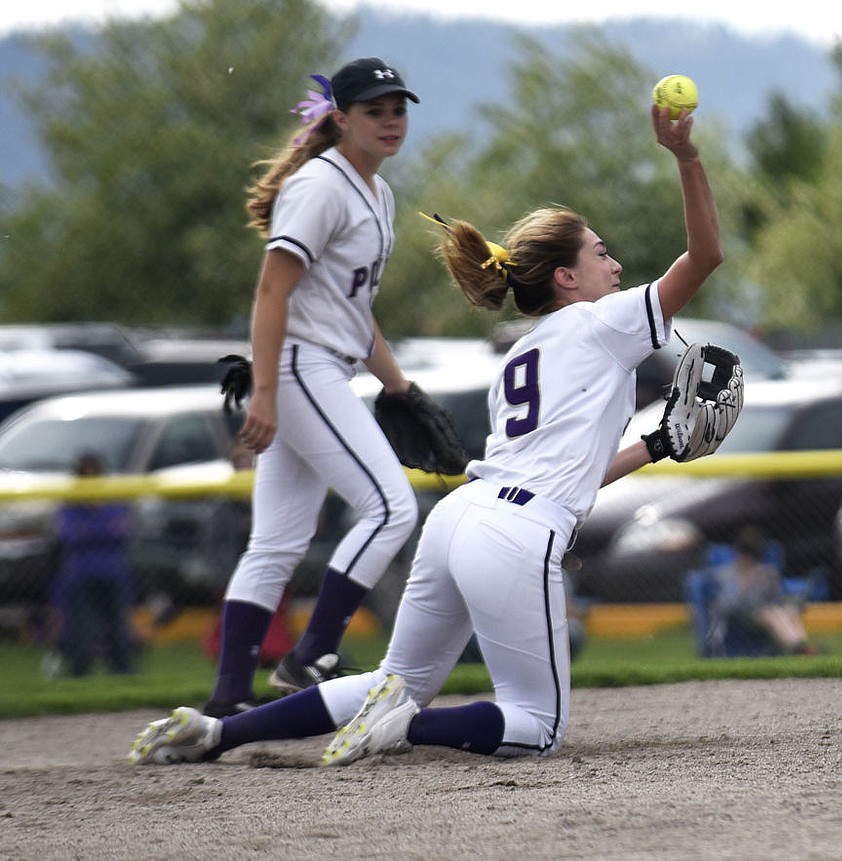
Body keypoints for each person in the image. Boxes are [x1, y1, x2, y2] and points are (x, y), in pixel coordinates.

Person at [129, 89, 722, 765]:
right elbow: (703, 258)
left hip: (462, 518)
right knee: (536, 723)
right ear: (565, 277)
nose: (615, 266)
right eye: (600, 253)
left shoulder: (520, 351)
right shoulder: (604, 321)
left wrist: (655, 445)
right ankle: (407, 728)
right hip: (514, 532)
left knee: (393, 677)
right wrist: (686, 156)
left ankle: (218, 732)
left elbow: (563, 473)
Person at [200, 58, 426, 718]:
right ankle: (313, 653)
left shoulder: (375, 192)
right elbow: (273, 288)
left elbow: (355, 313)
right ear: (341, 118)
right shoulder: (321, 187)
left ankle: (227, 697)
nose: (389, 122)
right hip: (300, 367)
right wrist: (265, 390)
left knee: (275, 542)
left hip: (323, 365)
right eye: (373, 111)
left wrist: (402, 389)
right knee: (391, 508)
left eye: (397, 109)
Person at [49, 451, 137, 677]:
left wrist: (92, 529)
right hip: (81, 574)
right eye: (85, 474)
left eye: (94, 473)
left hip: (112, 572)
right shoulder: (71, 503)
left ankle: (122, 670)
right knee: (81, 627)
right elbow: (71, 535)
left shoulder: (112, 499)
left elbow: (123, 530)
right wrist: (104, 529)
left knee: (118, 625)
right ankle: (81, 672)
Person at [706, 527, 814, 657]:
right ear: (738, 554)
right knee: (770, 615)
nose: (748, 563)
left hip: (763, 612)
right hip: (738, 618)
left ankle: (803, 647)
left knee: (786, 611)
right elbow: (725, 606)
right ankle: (799, 648)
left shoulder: (764, 573)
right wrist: (744, 587)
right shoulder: (725, 575)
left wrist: (772, 586)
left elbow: (776, 600)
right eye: (745, 557)